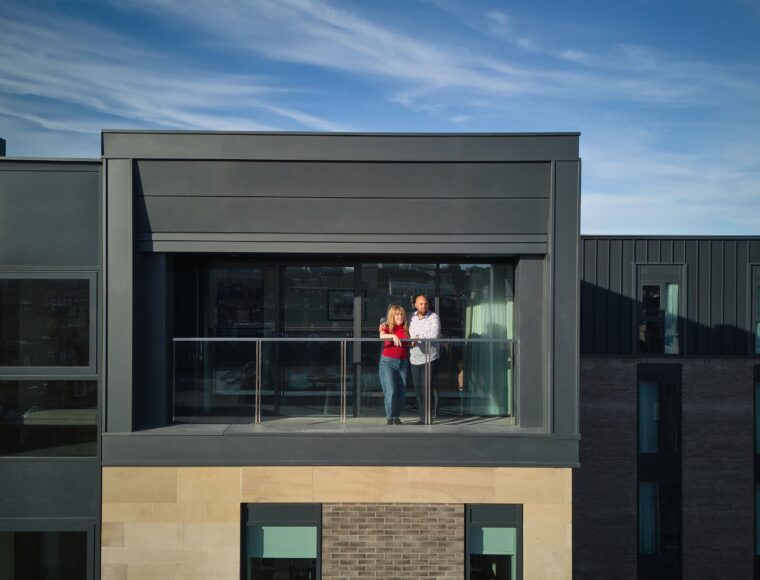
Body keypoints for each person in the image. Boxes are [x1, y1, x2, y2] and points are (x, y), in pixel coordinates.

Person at [408, 294, 441, 423]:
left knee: (426, 388)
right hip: (414, 358)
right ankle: (423, 416)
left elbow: (434, 334)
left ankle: (427, 417)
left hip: (430, 358)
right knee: (417, 389)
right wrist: (383, 325)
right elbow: (397, 322)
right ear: (415, 305)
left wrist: (417, 337)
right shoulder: (410, 317)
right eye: (421, 304)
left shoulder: (434, 317)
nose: (423, 306)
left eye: (425, 303)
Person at [378, 304, 411, 425]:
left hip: (403, 362)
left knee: (401, 392)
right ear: (392, 315)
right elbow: (381, 336)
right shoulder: (386, 326)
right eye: (397, 314)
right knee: (390, 391)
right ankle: (390, 417)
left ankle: (396, 416)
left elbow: (409, 344)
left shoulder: (406, 328)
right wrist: (393, 335)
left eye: (402, 314)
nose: (400, 317)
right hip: (387, 362)